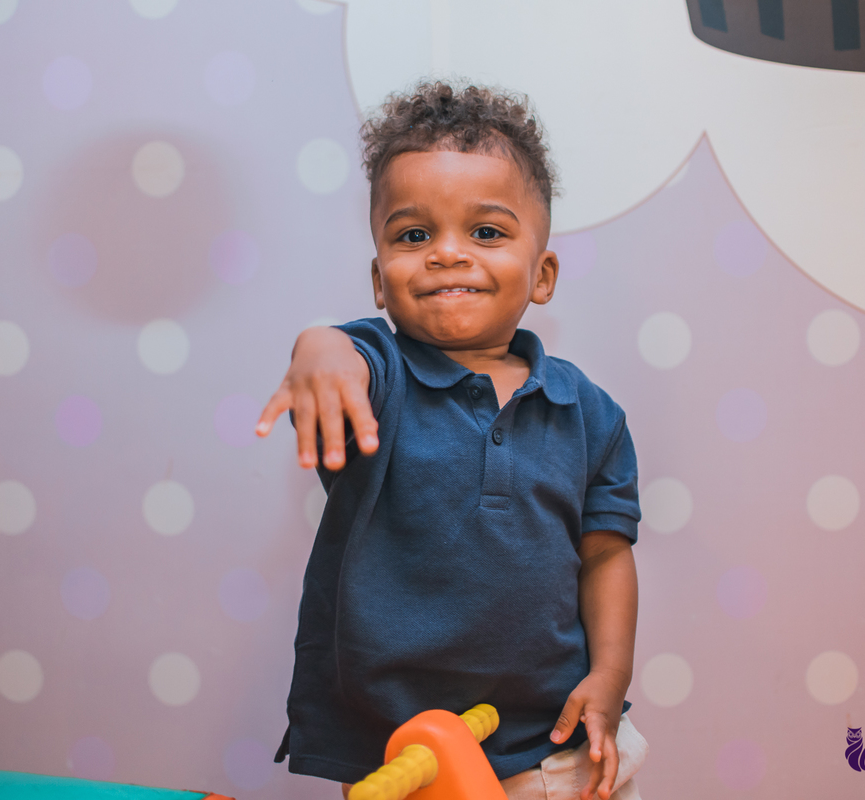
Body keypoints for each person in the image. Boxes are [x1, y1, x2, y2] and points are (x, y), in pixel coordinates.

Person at [256, 81, 647, 800]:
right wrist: (316, 348)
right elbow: (337, 353)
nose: (446, 255)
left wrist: (609, 675)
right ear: (380, 281)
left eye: (486, 233)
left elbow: (605, 557)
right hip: (404, 751)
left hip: (550, 739)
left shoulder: (591, 414)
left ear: (544, 273)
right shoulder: (377, 378)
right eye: (413, 235)